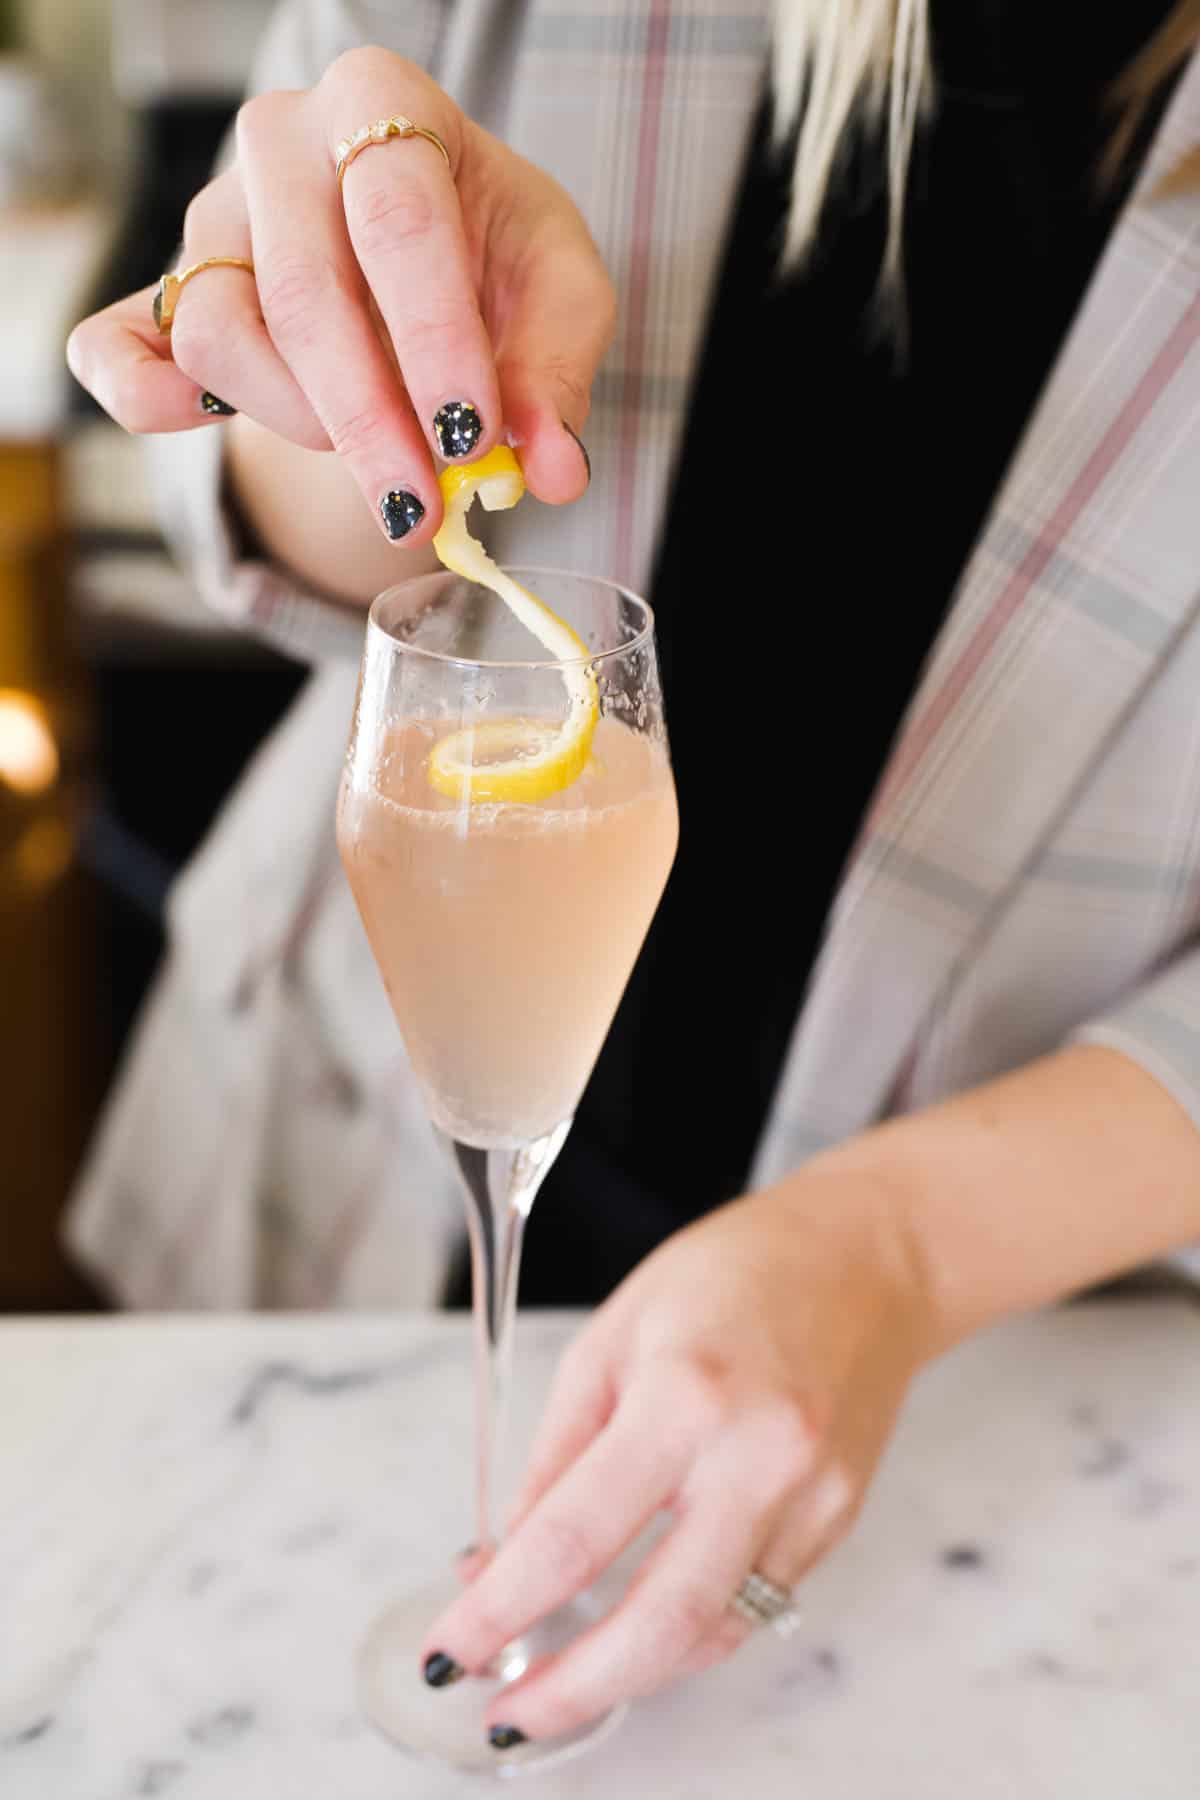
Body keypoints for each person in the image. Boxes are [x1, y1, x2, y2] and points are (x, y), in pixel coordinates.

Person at [67, 0, 1200, 1753]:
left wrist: (897, 1246)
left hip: (986, 1365)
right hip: (321, 1182)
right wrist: (343, 386)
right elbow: (298, 527)